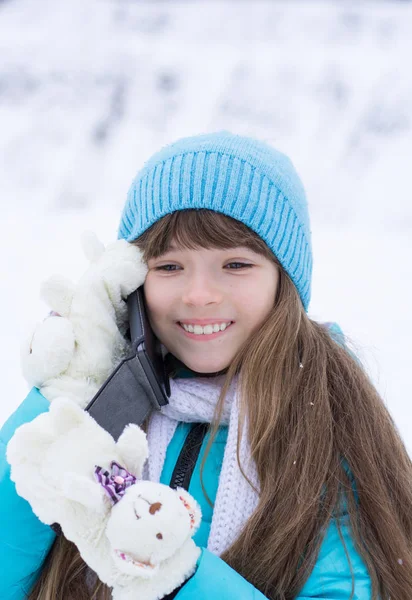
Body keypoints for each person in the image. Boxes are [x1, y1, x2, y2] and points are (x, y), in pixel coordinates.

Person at [1, 131, 411, 600]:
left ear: (285, 281)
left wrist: (176, 577)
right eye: (170, 266)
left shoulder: (323, 419)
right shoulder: (102, 406)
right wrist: (65, 399)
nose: (199, 295)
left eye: (235, 264)